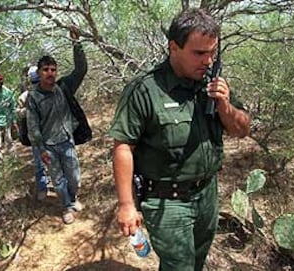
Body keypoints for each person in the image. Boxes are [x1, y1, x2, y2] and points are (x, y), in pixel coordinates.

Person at [108, 8, 251, 271]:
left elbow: (242, 129)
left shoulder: (212, 83)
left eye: (212, 52)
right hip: (167, 200)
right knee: (179, 266)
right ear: (174, 47)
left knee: (196, 261)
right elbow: (123, 146)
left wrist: (225, 106)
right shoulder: (145, 90)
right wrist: (127, 204)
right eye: (199, 53)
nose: (208, 60)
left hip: (207, 193)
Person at [26, 25, 87, 224]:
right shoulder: (33, 97)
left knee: (74, 178)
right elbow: (32, 125)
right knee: (58, 180)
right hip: (49, 147)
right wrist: (40, 148)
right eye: (46, 70)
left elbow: (81, 69)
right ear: (40, 73)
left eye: (53, 69)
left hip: (67, 142)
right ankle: (66, 206)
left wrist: (76, 42)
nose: (50, 73)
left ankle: (74, 197)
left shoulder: (64, 86)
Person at [17, 66, 49, 201]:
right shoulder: (24, 96)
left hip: (51, 134)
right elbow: (18, 113)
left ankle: (60, 188)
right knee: (39, 163)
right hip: (36, 137)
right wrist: (28, 111)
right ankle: (42, 188)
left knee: (55, 162)